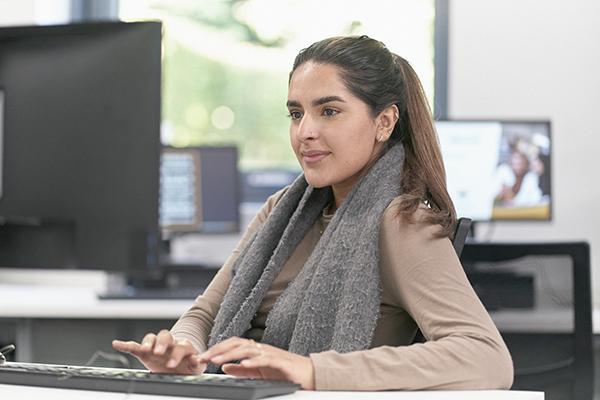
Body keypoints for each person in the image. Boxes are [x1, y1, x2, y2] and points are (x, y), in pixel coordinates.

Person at [113, 35, 513, 391]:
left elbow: (486, 357)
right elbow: (205, 313)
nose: (304, 131)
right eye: (296, 113)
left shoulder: (402, 220)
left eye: (329, 111)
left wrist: (309, 370)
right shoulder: (280, 212)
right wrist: (185, 351)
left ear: (385, 121)